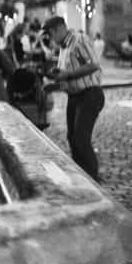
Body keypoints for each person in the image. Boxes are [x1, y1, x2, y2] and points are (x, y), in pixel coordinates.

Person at [43, 16, 104, 182]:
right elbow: (68, 73)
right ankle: (81, 176)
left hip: (90, 94)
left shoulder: (79, 40)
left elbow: (93, 64)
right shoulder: (64, 48)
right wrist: (56, 76)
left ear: (58, 29)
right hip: (75, 96)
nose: (50, 38)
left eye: (50, 34)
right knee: (72, 138)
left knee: (81, 138)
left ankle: (92, 178)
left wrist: (68, 74)